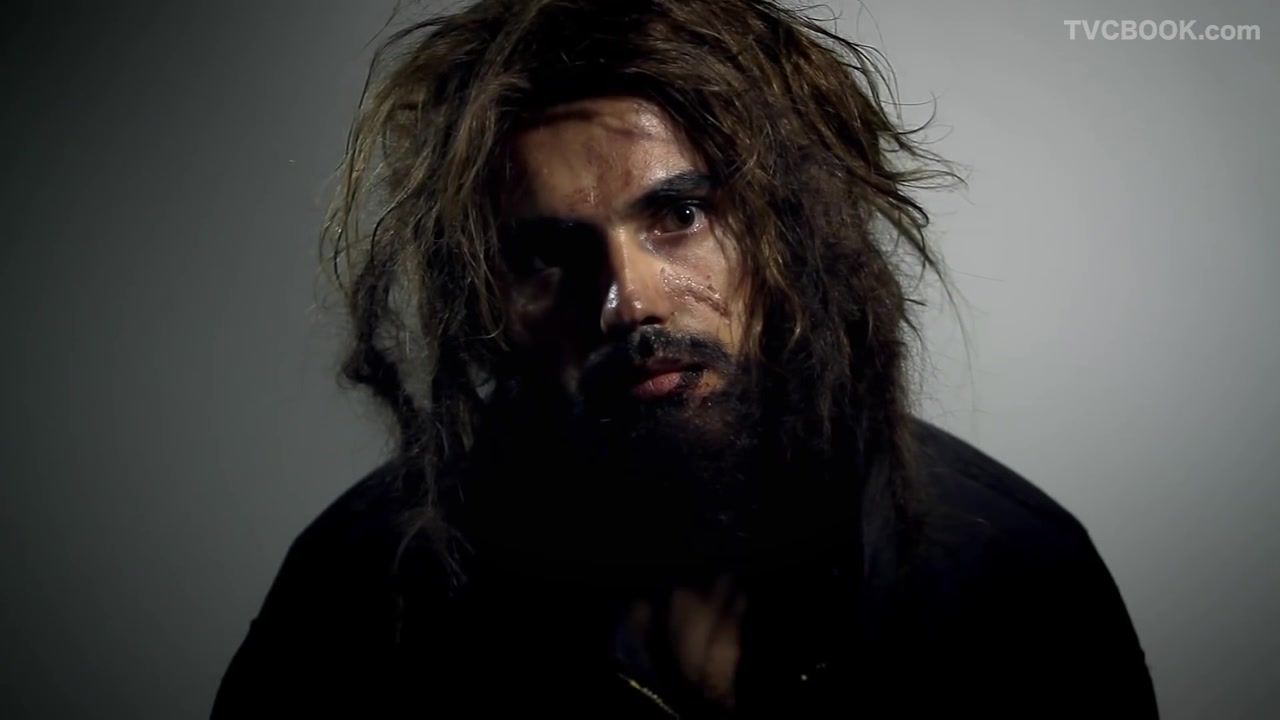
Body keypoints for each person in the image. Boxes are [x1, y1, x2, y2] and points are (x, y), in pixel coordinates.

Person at [213, 0, 1159, 716]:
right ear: (489, 296)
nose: (628, 302)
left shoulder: (1009, 574)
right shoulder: (364, 588)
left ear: (797, 228)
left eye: (680, 214)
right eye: (550, 254)